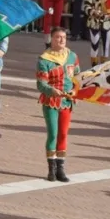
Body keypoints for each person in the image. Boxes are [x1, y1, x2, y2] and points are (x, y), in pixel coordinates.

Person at [36, 26, 79, 183]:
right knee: (53, 134)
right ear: (51, 39)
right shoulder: (44, 59)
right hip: (51, 101)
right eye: (58, 37)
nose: (61, 40)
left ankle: (61, 169)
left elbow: (78, 78)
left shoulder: (72, 56)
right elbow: (41, 84)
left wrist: (75, 90)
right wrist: (51, 90)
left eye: (64, 37)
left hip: (67, 102)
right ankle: (51, 169)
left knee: (63, 134)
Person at [83, 0, 110, 66]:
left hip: (106, 22)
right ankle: (94, 68)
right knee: (94, 46)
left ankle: (103, 68)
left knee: (106, 47)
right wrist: (94, 12)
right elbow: (86, 7)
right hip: (94, 23)